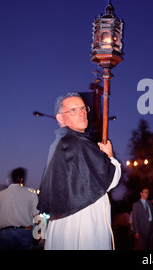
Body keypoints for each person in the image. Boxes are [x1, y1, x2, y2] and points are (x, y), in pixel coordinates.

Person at [37, 92, 121, 250]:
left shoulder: (56, 145)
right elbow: (110, 179)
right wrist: (110, 157)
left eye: (83, 108)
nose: (81, 113)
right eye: (73, 110)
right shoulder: (79, 144)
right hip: (84, 225)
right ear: (60, 118)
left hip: (60, 226)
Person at [0, 168, 39, 250]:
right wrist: (39, 234)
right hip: (25, 232)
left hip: (4, 233)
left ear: (11, 178)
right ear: (22, 179)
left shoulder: (1, 194)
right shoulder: (31, 193)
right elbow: (37, 215)